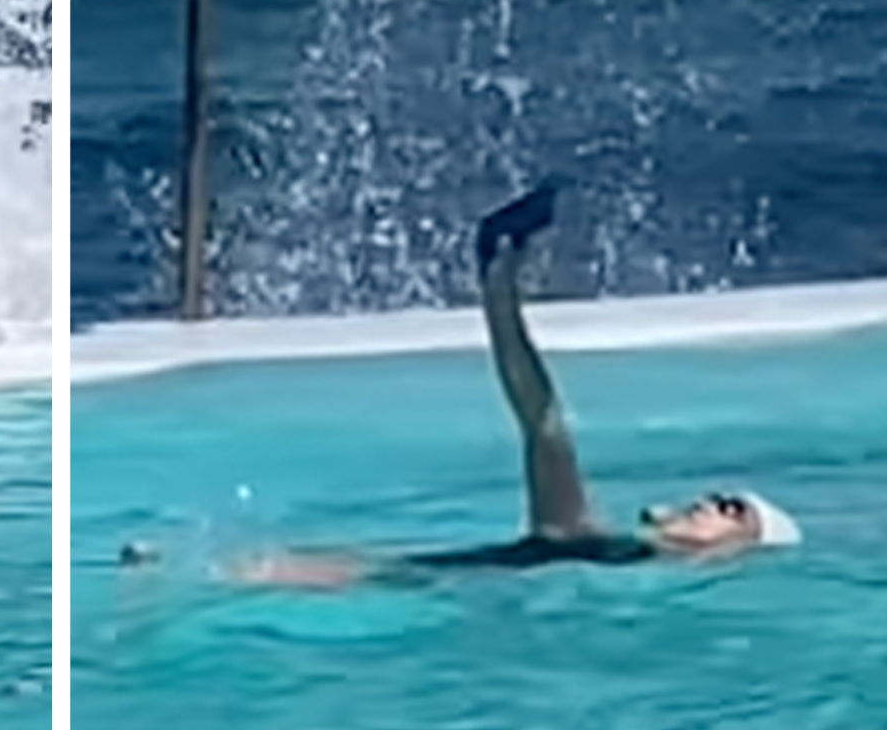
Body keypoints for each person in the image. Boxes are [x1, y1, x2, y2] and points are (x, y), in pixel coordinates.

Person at [230, 181, 801, 589]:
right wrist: (499, 289)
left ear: (739, 553)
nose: (709, 500)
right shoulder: (587, 545)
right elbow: (540, 421)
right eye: (722, 495)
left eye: (732, 509)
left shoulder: (619, 573)